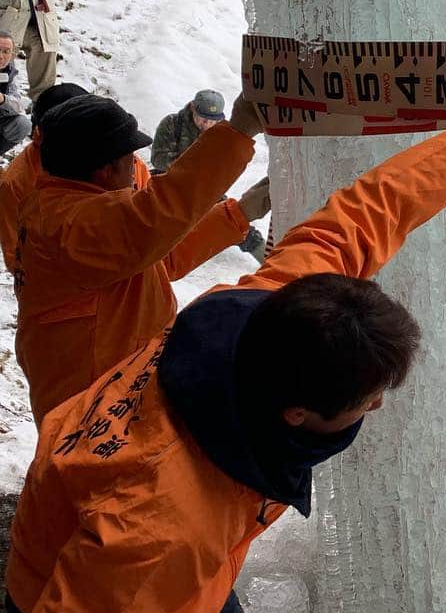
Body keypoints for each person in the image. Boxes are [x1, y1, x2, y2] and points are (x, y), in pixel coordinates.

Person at [5, 70, 446, 613]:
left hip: (171, 601)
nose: (379, 404)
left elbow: (379, 205)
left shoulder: (277, 307)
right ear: (297, 415)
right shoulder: (168, 515)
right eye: (367, 400)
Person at [12, 93, 271, 424]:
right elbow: (158, 213)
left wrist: (240, 212)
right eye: (130, 158)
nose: (136, 169)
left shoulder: (66, 209)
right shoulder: (72, 224)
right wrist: (237, 132)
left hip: (111, 384)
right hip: (89, 398)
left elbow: (162, 257)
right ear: (106, 170)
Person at [0, 84, 154, 271]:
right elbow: (18, 260)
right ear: (41, 133)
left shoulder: (119, 158)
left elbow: (154, 228)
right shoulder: (17, 184)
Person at [153, 89, 267, 262]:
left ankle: (268, 259)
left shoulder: (223, 132)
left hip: (205, 187)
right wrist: (190, 168)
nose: (206, 124)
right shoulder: (172, 123)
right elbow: (159, 158)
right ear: (192, 108)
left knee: (233, 219)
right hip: (171, 181)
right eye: (203, 119)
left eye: (212, 121)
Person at [0, 31, 31, 156]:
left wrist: (3, 100)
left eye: (6, 52)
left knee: (22, 125)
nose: (0, 56)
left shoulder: (9, 72)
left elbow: (18, 105)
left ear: (12, 55)